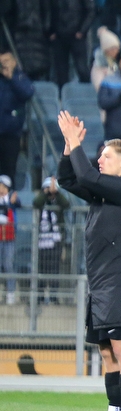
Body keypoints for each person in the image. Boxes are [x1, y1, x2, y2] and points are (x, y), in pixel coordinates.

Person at [56, 112, 121, 411]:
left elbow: (89, 177)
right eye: (100, 155)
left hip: (120, 281)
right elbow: (68, 181)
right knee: (105, 349)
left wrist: (77, 143)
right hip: (100, 282)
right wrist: (69, 148)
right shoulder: (103, 193)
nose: (100, 160)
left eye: (107, 157)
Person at [33, 176, 70, 303]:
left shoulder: (59, 201)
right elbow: (36, 203)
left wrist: (57, 193)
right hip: (42, 242)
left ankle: (54, 296)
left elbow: (67, 204)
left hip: (56, 241)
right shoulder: (42, 201)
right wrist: (46, 193)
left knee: (54, 270)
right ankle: (40, 296)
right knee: (41, 270)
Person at [0, 49, 33, 181]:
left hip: (11, 133)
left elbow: (27, 93)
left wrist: (12, 78)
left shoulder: (20, 77)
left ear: (14, 62)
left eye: (7, 61)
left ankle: (7, 200)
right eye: (1, 62)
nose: (4, 64)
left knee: (9, 171)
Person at [50, 0, 95, 87]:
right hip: (58, 36)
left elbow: (91, 11)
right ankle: (61, 96)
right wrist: (51, 31)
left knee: (82, 69)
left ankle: (85, 94)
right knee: (60, 72)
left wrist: (82, 31)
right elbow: (49, 9)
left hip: (77, 36)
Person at [0, 174, 19, 304]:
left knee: (8, 264)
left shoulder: (12, 198)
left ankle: (10, 293)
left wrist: (9, 203)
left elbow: (18, 204)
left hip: (9, 238)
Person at [90, 26, 120, 91]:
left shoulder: (119, 63)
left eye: (116, 48)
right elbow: (99, 87)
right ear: (106, 51)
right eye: (112, 49)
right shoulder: (98, 67)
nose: (115, 51)